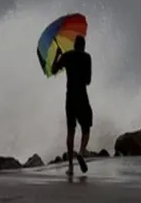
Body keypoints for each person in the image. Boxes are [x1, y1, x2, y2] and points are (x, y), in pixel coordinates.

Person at [51, 35, 92, 176]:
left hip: (70, 98)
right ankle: (80, 152)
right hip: (82, 97)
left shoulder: (67, 56)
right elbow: (88, 81)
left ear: (74, 45)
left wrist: (58, 56)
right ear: (83, 46)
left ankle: (70, 167)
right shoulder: (87, 58)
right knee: (86, 128)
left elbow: (53, 70)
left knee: (70, 131)